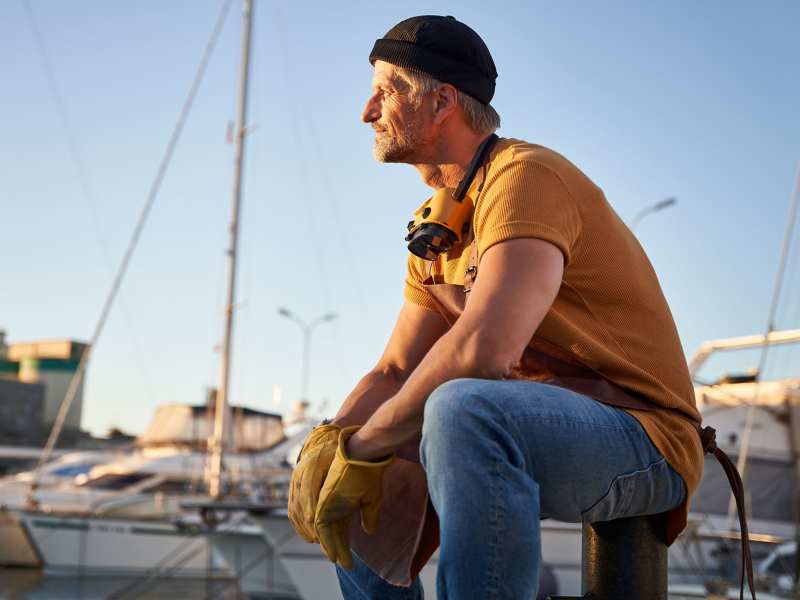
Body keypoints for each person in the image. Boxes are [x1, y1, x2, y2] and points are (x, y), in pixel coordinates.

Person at [288, 15, 703, 600]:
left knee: (462, 408)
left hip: (645, 438)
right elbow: (395, 371)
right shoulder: (437, 229)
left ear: (442, 102)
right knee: (352, 460)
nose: (367, 110)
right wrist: (333, 443)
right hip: (538, 422)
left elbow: (485, 349)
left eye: (387, 89)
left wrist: (366, 445)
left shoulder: (524, 177)